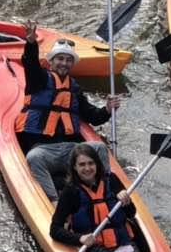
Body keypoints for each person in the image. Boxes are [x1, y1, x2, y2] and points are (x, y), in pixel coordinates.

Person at [15, 23, 119, 200]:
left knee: (100, 147)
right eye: (60, 59)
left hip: (71, 150)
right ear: (51, 61)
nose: (64, 63)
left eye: (68, 60)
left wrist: (108, 109)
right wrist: (31, 43)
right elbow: (30, 63)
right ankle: (54, 202)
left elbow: (92, 116)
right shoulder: (38, 80)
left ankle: (106, 192)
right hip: (43, 150)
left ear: (72, 63)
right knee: (33, 157)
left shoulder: (74, 89)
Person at [49, 143, 148, 252]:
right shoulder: (70, 192)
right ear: (75, 168)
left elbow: (131, 213)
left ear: (97, 164)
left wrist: (126, 200)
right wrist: (80, 238)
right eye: (82, 165)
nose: (87, 168)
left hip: (123, 242)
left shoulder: (111, 180)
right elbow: (55, 230)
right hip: (96, 248)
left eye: (91, 163)